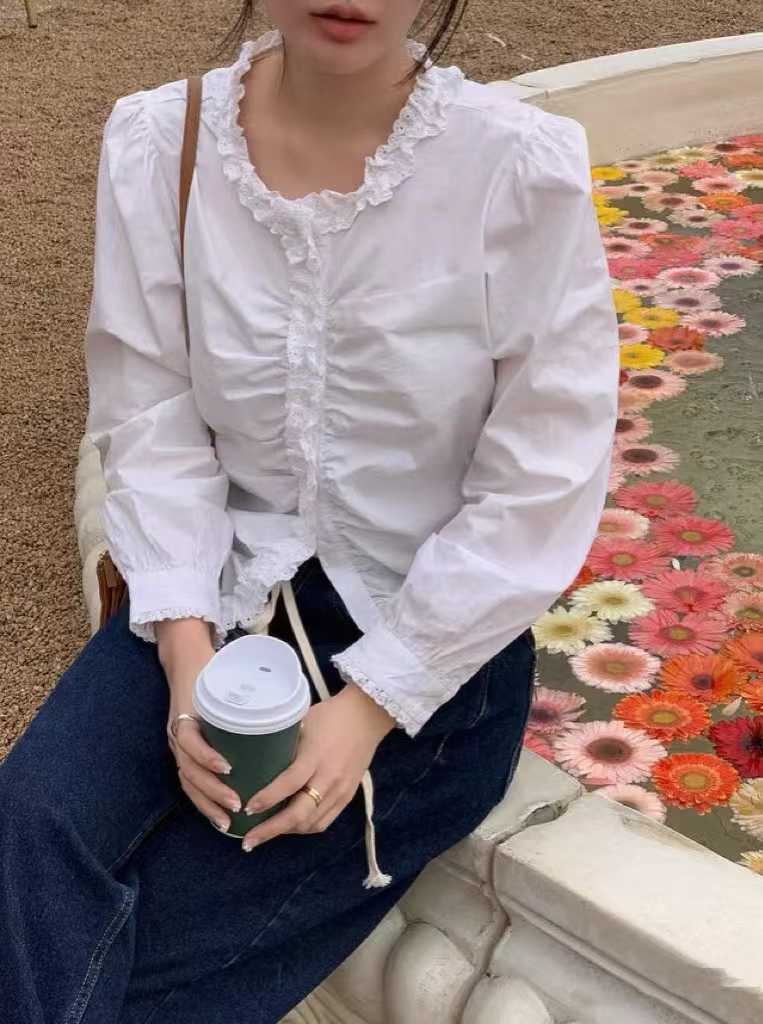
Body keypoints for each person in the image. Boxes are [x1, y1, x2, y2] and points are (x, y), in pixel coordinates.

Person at [0, 1, 620, 1021]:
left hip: (421, 642)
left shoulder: (516, 167)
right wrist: (186, 658)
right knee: (31, 826)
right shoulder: (162, 142)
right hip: (219, 587)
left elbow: (540, 480)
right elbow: (150, 412)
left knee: (159, 961)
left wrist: (370, 704)